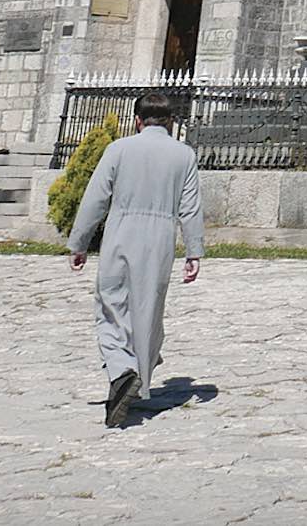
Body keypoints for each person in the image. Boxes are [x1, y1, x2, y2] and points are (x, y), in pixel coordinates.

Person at [67, 91, 205, 428]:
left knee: (111, 307)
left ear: (137, 120)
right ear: (171, 122)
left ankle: (121, 370)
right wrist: (193, 250)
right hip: (159, 239)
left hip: (121, 232)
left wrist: (79, 242)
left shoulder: (118, 149)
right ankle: (137, 381)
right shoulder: (183, 155)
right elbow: (191, 206)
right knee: (148, 310)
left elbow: (96, 198)